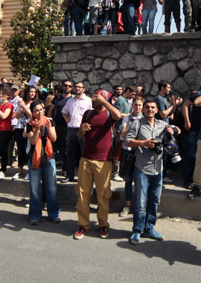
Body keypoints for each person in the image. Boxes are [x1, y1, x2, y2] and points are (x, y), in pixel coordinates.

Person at [124, 100, 180, 244]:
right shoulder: (137, 123)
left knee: (155, 201)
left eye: (152, 107)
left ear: (156, 110)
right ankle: (137, 230)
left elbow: (178, 130)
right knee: (140, 202)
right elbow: (127, 141)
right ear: (143, 110)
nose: (150, 109)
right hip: (142, 168)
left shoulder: (162, 124)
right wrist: (143, 143)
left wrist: (173, 130)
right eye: (147, 107)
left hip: (158, 169)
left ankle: (149, 228)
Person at [73, 90, 123, 240]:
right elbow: (79, 135)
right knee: (82, 193)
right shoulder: (87, 113)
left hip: (104, 160)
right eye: (94, 98)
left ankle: (103, 225)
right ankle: (83, 224)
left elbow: (118, 116)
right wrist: (81, 131)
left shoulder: (109, 114)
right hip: (86, 159)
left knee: (102, 195)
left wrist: (105, 102)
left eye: (97, 98)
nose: (93, 100)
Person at [26, 101, 60, 224]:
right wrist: (36, 129)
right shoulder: (29, 124)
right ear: (33, 113)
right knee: (35, 188)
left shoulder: (49, 121)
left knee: (51, 187)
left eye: (41, 110)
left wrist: (47, 127)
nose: (39, 113)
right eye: (36, 111)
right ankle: (35, 215)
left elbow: (54, 138)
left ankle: (54, 214)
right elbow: (33, 141)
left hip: (48, 157)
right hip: (34, 158)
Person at [60, 81, 92, 183]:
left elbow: (91, 114)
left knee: (84, 153)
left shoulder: (88, 100)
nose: (77, 88)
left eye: (79, 87)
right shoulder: (70, 101)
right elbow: (64, 111)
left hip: (82, 130)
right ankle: (70, 176)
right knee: (70, 153)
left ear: (84, 89)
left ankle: (85, 177)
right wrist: (66, 119)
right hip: (71, 130)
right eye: (76, 87)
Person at [118, 97, 143, 217]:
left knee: (140, 180)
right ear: (132, 106)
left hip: (141, 152)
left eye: (139, 105)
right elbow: (122, 134)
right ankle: (127, 205)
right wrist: (131, 128)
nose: (137, 107)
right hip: (128, 152)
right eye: (135, 105)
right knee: (128, 179)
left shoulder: (145, 119)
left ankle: (138, 206)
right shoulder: (127, 118)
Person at [0, 88, 14, 179]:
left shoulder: (9, 104)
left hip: (6, 129)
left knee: (3, 150)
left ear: (7, 95)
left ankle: (3, 170)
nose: (0, 96)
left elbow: (4, 116)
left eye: (3, 94)